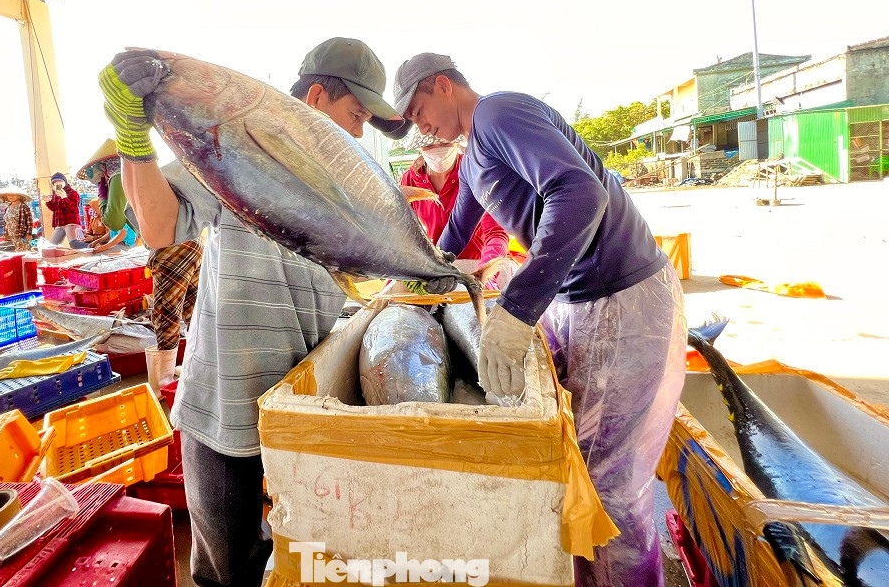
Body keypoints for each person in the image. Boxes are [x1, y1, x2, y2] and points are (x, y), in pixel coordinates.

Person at [98, 37, 409, 587]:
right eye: (355, 114)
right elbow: (159, 227)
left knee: (313, 552)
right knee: (228, 566)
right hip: (228, 400)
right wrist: (133, 137)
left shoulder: (346, 180)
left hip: (311, 400)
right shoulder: (236, 146)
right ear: (316, 96)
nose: (358, 131)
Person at [393, 53, 686, 587]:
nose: (420, 125)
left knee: (607, 482)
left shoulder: (499, 114)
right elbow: (458, 228)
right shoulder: (477, 148)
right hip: (579, 300)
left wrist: (518, 309)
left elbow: (580, 194)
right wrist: (413, 279)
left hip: (621, 296)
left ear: (442, 84)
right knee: (577, 462)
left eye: (418, 110)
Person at [400, 130, 514, 288]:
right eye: (429, 144)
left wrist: (487, 273)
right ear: (419, 147)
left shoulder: (475, 172)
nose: (438, 149)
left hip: (476, 263)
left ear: (457, 143)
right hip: (436, 267)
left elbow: (495, 233)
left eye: (445, 142)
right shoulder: (409, 180)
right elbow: (406, 235)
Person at [44, 172, 82, 244]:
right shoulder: (56, 194)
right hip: (60, 223)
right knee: (53, 246)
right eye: (55, 182)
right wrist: (48, 201)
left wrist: (64, 197)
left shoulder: (73, 193)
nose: (57, 183)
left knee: (75, 244)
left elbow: (73, 208)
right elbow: (54, 209)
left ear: (65, 181)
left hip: (71, 222)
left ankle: (90, 250)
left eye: (60, 181)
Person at [0, 185, 34, 252]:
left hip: (22, 235)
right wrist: (6, 234)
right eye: (8, 195)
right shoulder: (8, 208)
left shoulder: (24, 207)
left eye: (13, 194)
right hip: (12, 235)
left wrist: (28, 234)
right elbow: (6, 222)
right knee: (15, 252)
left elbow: (29, 221)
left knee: (24, 251)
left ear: (19, 196)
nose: (11, 196)